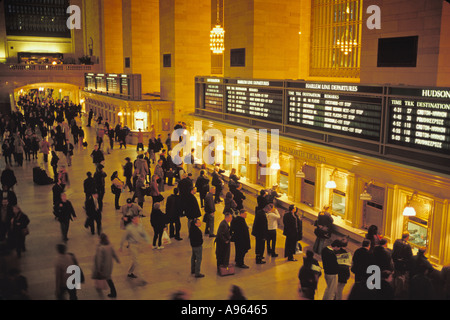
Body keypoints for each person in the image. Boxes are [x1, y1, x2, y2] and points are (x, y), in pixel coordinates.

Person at [119, 216, 151, 281]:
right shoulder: (129, 228)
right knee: (137, 261)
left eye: (138, 219)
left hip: (138, 245)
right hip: (132, 245)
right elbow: (124, 237)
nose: (138, 220)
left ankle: (130, 272)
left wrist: (149, 242)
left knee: (134, 260)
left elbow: (144, 234)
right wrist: (121, 246)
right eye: (136, 219)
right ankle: (142, 278)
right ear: (133, 220)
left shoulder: (140, 226)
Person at [92, 233, 120, 298]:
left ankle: (113, 293)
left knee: (109, 279)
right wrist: (117, 259)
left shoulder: (101, 248)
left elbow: (99, 259)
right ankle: (111, 291)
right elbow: (114, 253)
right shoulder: (110, 245)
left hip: (104, 267)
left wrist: (98, 269)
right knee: (108, 278)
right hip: (109, 265)